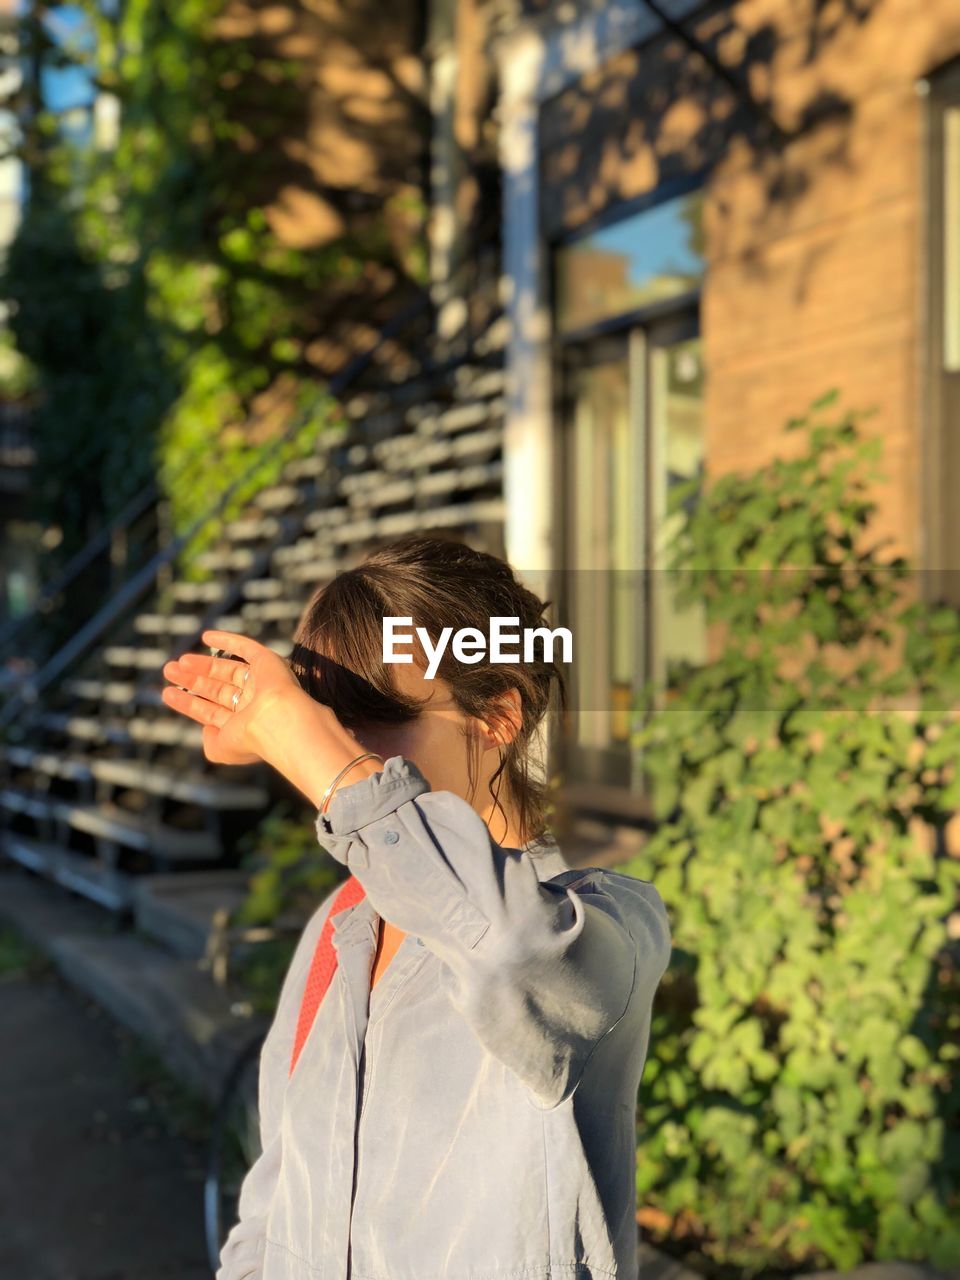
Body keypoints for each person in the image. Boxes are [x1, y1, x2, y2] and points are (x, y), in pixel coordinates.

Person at [160, 534, 672, 1280]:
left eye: (370, 713)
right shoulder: (343, 926)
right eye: (322, 714)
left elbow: (514, 958)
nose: (340, 745)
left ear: (497, 718)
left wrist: (320, 755)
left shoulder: (601, 927)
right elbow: (276, 1196)